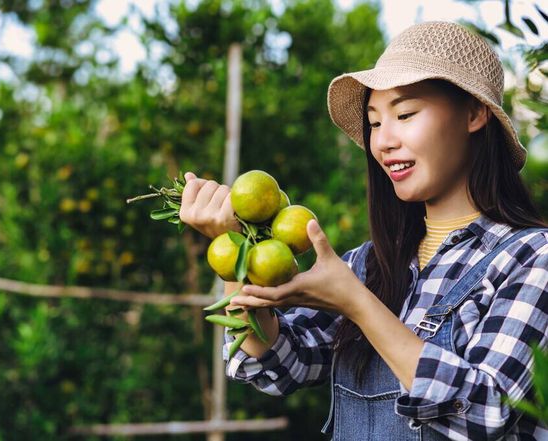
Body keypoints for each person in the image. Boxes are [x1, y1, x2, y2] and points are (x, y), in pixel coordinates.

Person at [179, 21, 547, 440]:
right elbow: (276, 363)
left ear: (474, 114)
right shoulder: (368, 263)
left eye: (405, 114)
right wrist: (239, 253)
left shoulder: (531, 258)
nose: (383, 142)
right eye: (374, 122)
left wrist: (357, 304)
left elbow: (489, 410)